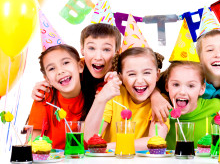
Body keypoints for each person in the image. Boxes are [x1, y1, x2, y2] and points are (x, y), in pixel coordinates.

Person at [31, 23, 171, 122]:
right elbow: (55, 71)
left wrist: (156, 96)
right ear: (82, 50)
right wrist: (40, 87)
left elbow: (148, 80)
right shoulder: (76, 66)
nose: (98, 57)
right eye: (92, 48)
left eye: (106, 49)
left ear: (117, 53)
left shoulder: (122, 73)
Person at [84, 47, 169, 151]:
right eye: (132, 74)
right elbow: (90, 137)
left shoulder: (161, 103)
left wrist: (106, 147)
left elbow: (156, 140)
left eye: (146, 73)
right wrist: (100, 99)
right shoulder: (114, 96)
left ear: (157, 75)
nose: (140, 81)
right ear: (121, 77)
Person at [163, 61, 220, 149]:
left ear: (202, 89)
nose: (182, 92)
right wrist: (155, 96)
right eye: (176, 84)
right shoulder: (162, 112)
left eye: (191, 86)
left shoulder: (217, 107)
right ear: (167, 86)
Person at [27, 44, 84, 149]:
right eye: (52, 68)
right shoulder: (44, 97)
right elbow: (31, 144)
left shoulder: (97, 92)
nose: (60, 71)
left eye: (66, 63)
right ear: (47, 79)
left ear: (80, 66)